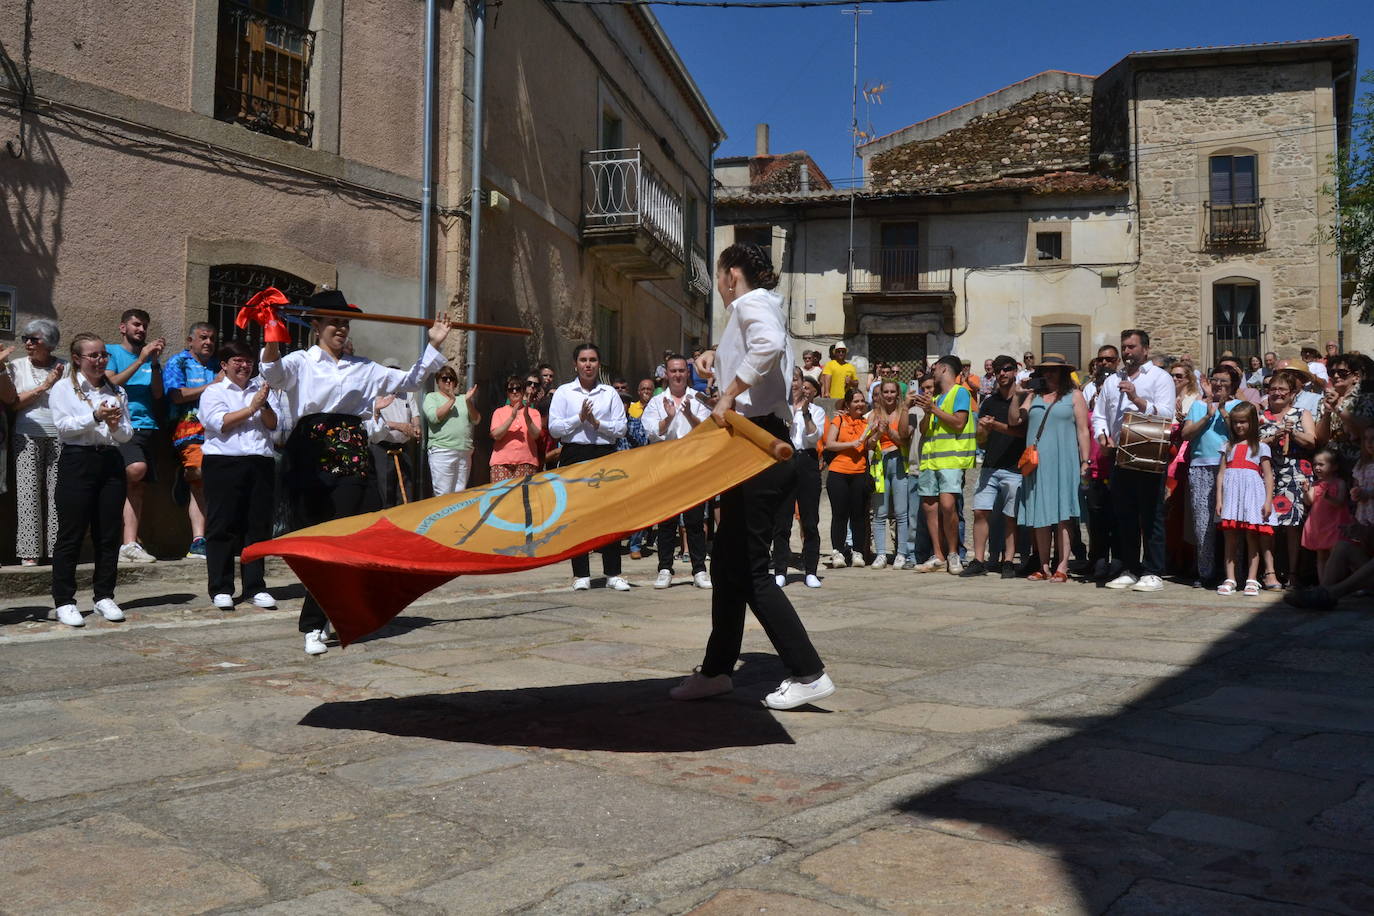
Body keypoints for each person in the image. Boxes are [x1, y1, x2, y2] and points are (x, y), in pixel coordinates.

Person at [670, 241, 834, 710]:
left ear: (731, 274)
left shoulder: (751, 303)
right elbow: (753, 351)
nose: (719, 285)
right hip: (750, 442)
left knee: (751, 570)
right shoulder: (754, 308)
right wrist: (712, 359)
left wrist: (728, 393)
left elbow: (766, 346)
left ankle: (807, 672)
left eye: (720, 275)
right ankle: (718, 670)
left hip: (760, 444)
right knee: (727, 565)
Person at [260, 289, 450, 655]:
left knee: (341, 537)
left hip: (349, 451)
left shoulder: (364, 367)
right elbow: (273, 372)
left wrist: (433, 345)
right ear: (316, 325)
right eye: (335, 322)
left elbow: (409, 381)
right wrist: (271, 333)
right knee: (315, 539)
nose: (342, 329)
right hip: (310, 453)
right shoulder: (301, 361)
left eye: (346, 323)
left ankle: (315, 623)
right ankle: (328, 609)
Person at [50, 333, 133, 627]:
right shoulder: (64, 389)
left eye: (103, 356)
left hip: (109, 460)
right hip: (77, 460)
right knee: (71, 533)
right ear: (77, 359)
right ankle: (64, 600)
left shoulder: (117, 390)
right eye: (93, 356)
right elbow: (63, 427)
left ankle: (104, 595)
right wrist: (95, 416)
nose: (100, 361)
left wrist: (114, 423)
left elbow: (126, 435)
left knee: (108, 532)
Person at [1092, 329, 1175, 591]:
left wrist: (1137, 399)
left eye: (1131, 347)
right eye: (1124, 347)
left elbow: (1167, 414)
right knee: (1124, 515)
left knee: (1151, 514)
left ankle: (1153, 570)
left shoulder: (1160, 378)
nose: (1127, 352)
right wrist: (1102, 436)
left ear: (1145, 350)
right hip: (1120, 455)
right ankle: (1129, 567)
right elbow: (1099, 415)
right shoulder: (1111, 381)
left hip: (1149, 453)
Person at [199, 339, 279, 611]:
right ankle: (221, 587)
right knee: (222, 526)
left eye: (248, 361)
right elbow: (219, 422)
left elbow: (273, 425)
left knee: (257, 526)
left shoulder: (262, 390)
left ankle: (256, 586)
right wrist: (252, 407)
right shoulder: (214, 391)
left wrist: (263, 405)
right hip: (224, 463)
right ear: (224, 365)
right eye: (238, 361)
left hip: (260, 462)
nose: (245, 366)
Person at [549, 343, 630, 591]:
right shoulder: (564, 392)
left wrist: (596, 423)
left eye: (592, 360)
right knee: (577, 514)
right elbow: (554, 428)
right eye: (583, 360)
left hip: (604, 454)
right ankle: (581, 573)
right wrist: (579, 419)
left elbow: (621, 428)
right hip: (574, 453)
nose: (588, 365)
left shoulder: (609, 393)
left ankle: (613, 572)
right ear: (575, 364)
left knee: (609, 513)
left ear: (598, 364)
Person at [1013, 354, 1089, 581]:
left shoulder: (1074, 396)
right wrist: (1018, 396)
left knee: (1064, 515)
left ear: (1064, 373)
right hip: (1037, 464)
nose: (1049, 374)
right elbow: (1017, 420)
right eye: (1045, 370)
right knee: (1040, 514)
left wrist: (1085, 461)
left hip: (1064, 461)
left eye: (1054, 370)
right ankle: (1043, 566)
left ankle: (1062, 566)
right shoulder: (1033, 396)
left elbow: (1083, 431)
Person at [642, 355, 712, 590]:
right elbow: (651, 432)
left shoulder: (698, 399)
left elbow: (707, 431)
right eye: (673, 371)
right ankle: (664, 568)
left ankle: (699, 569)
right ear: (667, 374)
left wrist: (690, 414)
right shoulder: (656, 402)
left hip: (692, 465)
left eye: (682, 370)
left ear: (687, 373)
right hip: (666, 465)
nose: (678, 375)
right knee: (666, 521)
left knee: (695, 520)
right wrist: (669, 418)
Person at [3, 319, 66, 566]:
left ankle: (56, 550)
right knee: (28, 493)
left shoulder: (66, 366)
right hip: (26, 433)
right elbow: (14, 403)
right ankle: (29, 553)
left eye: (34, 339)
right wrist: (46, 386)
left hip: (60, 435)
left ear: (48, 343)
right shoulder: (17, 366)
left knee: (57, 495)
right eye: (25, 339)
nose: (28, 343)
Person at [104, 309, 164, 563]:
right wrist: (139, 360)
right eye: (136, 325)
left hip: (146, 427)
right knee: (135, 471)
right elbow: (110, 383)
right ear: (122, 327)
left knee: (137, 485)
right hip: (120, 427)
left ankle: (129, 543)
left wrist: (153, 363)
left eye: (144, 326)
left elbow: (158, 394)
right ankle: (116, 536)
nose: (141, 330)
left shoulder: (150, 360)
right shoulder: (111, 352)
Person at [1179, 365, 1243, 587]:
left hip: (1231, 467)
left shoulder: (1240, 407)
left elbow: (1239, 433)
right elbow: (1185, 434)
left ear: (1233, 385)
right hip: (1201, 467)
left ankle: (1233, 573)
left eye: (1224, 381)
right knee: (1202, 523)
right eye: (1216, 380)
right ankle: (1205, 572)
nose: (1218, 385)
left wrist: (1224, 411)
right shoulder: (1198, 406)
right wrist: (1207, 416)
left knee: (1230, 521)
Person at [913, 356, 975, 574]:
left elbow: (959, 422)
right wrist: (927, 410)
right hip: (930, 459)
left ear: (944, 369)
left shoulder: (960, 392)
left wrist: (934, 408)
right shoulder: (936, 397)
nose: (933, 371)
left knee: (949, 506)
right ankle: (938, 555)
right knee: (930, 507)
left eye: (935, 368)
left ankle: (953, 553)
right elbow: (924, 429)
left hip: (950, 460)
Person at [163, 322, 221, 558]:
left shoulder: (219, 364)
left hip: (218, 430)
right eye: (203, 337)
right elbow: (176, 395)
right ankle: (198, 540)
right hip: (189, 430)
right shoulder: (178, 362)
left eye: (212, 338)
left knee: (214, 482)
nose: (208, 342)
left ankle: (215, 536)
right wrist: (212, 386)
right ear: (190, 341)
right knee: (199, 476)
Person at [965, 355, 1024, 578]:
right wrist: (982, 430)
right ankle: (979, 560)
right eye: (999, 370)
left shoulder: (1022, 398)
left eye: (1007, 369)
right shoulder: (989, 401)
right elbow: (981, 440)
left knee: (1010, 516)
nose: (1002, 373)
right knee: (980, 511)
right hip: (990, 465)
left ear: (1015, 371)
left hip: (1014, 467)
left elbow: (1021, 431)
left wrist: (997, 425)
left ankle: (1008, 561)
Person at [1259, 368, 1316, 589]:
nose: (1277, 393)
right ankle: (1270, 573)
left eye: (1282, 389)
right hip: (1267, 474)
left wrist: (1294, 433)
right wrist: (1274, 436)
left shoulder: (1302, 413)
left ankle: (1294, 573)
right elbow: (1253, 444)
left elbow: (1312, 442)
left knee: (1293, 525)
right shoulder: (1261, 414)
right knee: (1268, 524)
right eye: (1273, 389)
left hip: (1295, 473)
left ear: (1292, 393)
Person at [1215, 403, 1274, 597]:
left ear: (1253, 423)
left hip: (1252, 497)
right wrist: (1219, 499)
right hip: (1232, 497)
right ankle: (1230, 578)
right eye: (1236, 422)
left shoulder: (1261, 447)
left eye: (1244, 422)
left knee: (1252, 537)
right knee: (1230, 538)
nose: (1239, 426)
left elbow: (1268, 476)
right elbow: (1221, 474)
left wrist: (1267, 501)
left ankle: (1252, 579)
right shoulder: (1227, 446)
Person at [773, 374, 824, 588]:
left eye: (797, 379)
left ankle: (810, 570)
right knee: (781, 520)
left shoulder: (816, 410)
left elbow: (814, 437)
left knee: (810, 519)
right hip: (784, 462)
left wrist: (805, 415)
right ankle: (780, 570)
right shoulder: (777, 409)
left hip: (806, 461)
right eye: (791, 379)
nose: (795, 384)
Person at [823, 388, 876, 568]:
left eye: (862, 401)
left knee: (858, 515)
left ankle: (858, 552)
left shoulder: (866, 423)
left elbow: (870, 446)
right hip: (838, 472)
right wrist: (850, 444)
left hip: (859, 473)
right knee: (839, 515)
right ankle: (838, 552)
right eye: (856, 401)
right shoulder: (838, 420)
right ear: (847, 404)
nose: (860, 404)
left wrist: (877, 433)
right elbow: (829, 444)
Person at [867, 378, 913, 569]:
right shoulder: (873, 415)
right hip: (880, 464)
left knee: (902, 512)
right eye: (885, 392)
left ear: (898, 394)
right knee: (880, 512)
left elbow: (903, 440)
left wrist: (889, 432)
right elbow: (868, 443)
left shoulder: (904, 412)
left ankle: (901, 553)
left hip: (899, 462)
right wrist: (878, 433)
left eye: (892, 392)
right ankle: (881, 554)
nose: (889, 396)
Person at [423, 366, 479, 494]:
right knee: (443, 494)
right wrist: (451, 400)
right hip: (443, 450)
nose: (448, 381)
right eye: (444, 378)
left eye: (451, 378)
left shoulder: (463, 398)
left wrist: (468, 401)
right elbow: (434, 417)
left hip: (464, 451)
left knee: (459, 494)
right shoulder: (432, 397)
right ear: (438, 382)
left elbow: (476, 420)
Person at [1300, 449, 1351, 582]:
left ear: (1334, 466)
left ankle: (1334, 583)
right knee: (1321, 555)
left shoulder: (1339, 483)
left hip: (1335, 525)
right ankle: (1323, 584)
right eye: (1315, 464)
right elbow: (1309, 501)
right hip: (1319, 525)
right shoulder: (1315, 484)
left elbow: (1340, 503)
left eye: (1321, 464)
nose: (1316, 467)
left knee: (1334, 555)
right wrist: (1306, 492)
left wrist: (1328, 497)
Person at [488, 374, 542, 482]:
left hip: (526, 462)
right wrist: (511, 417)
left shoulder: (534, 413)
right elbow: (496, 435)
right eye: (510, 389)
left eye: (517, 389)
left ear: (523, 391)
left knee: (523, 498)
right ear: (507, 393)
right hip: (501, 464)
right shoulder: (499, 412)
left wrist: (527, 417)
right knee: (501, 497)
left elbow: (535, 435)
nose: (514, 392)